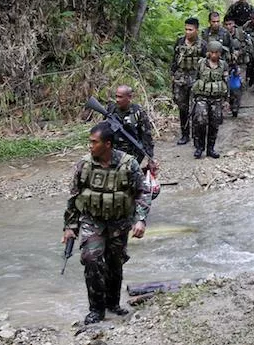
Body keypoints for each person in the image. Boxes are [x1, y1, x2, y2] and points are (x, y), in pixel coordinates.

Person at [62, 122, 151, 324]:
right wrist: (69, 227)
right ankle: (96, 310)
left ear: (108, 144)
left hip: (119, 223)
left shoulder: (129, 164)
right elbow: (74, 197)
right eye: (90, 142)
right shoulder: (83, 165)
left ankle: (113, 304)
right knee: (91, 259)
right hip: (92, 221)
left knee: (114, 264)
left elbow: (143, 193)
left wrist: (141, 220)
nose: (90, 146)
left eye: (94, 142)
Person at [171, 17, 207, 145]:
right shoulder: (180, 42)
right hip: (180, 79)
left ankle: (197, 136)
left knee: (196, 109)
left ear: (196, 30)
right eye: (186, 29)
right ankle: (185, 134)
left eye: (190, 30)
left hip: (195, 78)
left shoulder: (202, 45)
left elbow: (206, 63)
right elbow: (174, 60)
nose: (187, 32)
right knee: (183, 108)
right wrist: (172, 75)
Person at [191, 40, 229, 159]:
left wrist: (226, 100)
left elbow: (226, 82)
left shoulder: (223, 65)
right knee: (200, 121)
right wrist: (194, 97)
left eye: (216, 53)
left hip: (217, 98)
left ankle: (211, 148)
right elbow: (195, 79)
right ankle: (199, 147)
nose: (213, 55)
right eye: (211, 52)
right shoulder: (201, 63)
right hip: (202, 97)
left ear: (220, 53)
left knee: (215, 123)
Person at [224, 17, 252, 117]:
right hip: (227, 64)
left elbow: (249, 47)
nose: (228, 27)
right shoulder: (222, 35)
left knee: (239, 85)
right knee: (228, 85)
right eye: (226, 24)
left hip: (240, 63)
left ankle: (236, 106)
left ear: (234, 24)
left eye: (230, 24)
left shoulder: (241, 34)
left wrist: (239, 52)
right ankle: (230, 103)